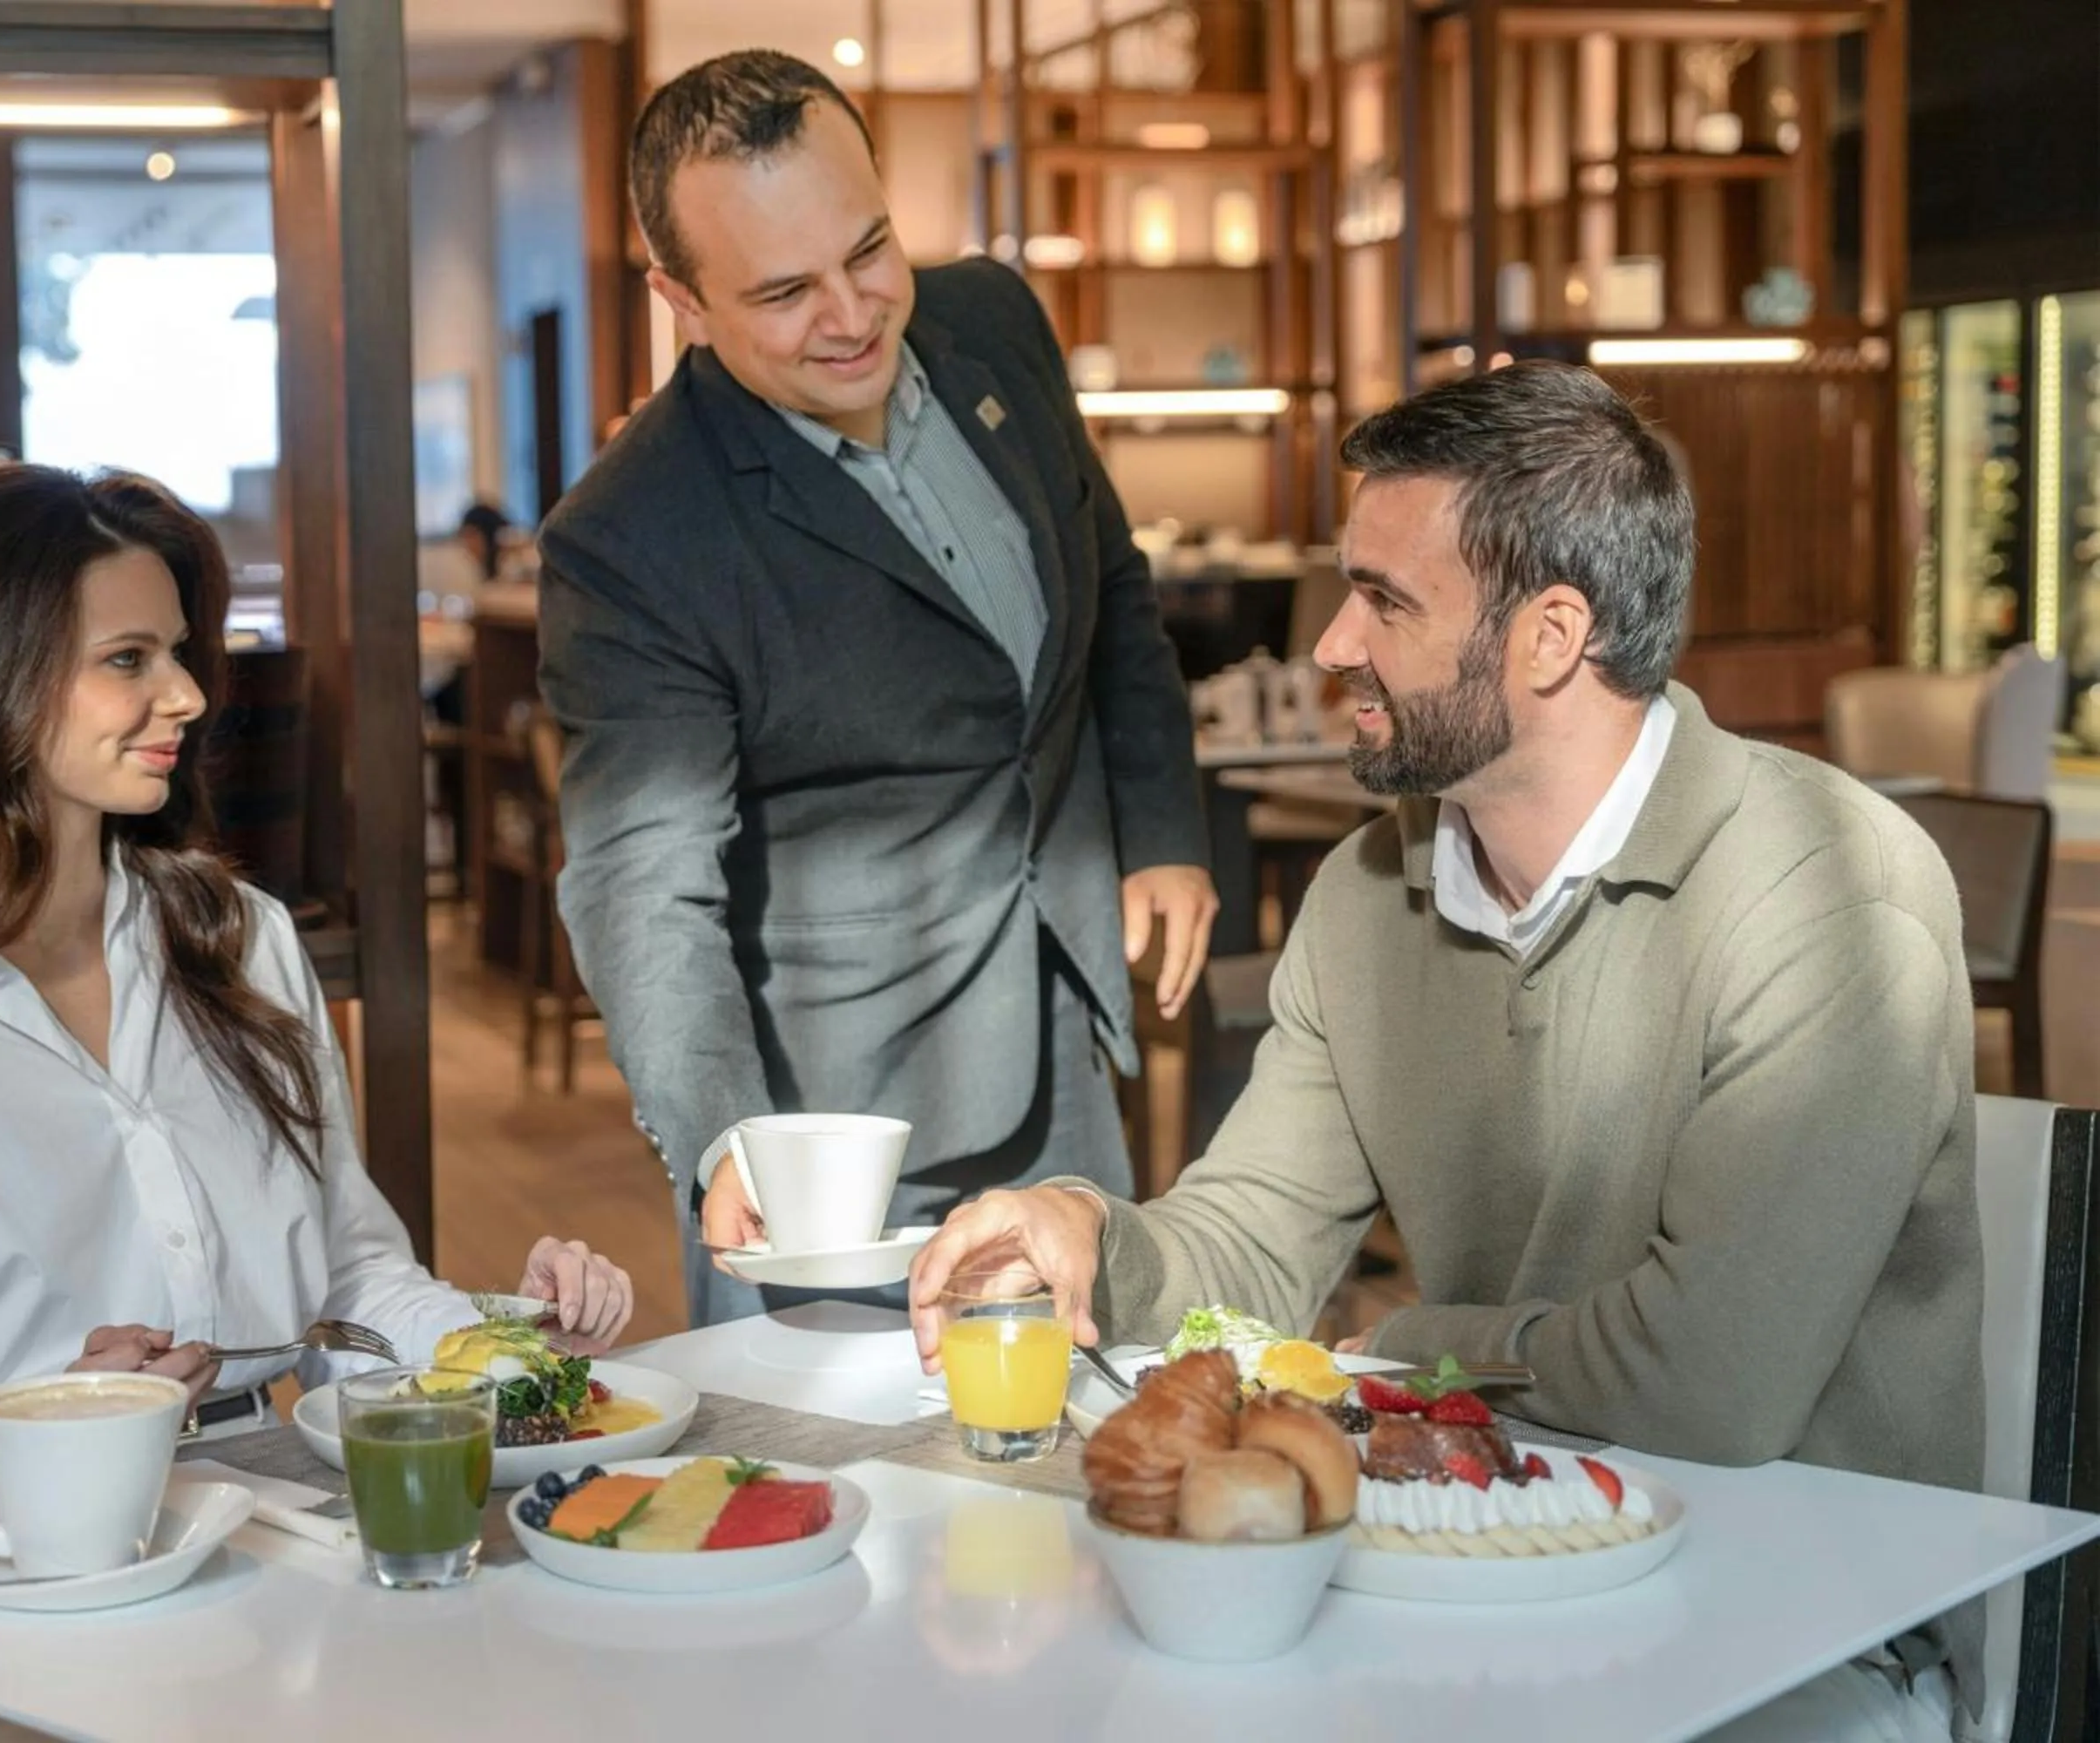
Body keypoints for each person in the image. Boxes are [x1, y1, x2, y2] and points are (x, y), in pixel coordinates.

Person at [906, 362, 1984, 1738]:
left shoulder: (1833, 897)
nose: (1334, 645)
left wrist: (1411, 1346)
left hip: (1806, 1632)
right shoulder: (1369, 896)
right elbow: (1253, 1239)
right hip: (1498, 1569)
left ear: (1548, 637)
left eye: (1388, 602)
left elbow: (1710, 1387)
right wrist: (1088, 1239)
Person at [0, 465, 635, 1738]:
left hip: (291, 1562)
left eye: (179, 654)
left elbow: (349, 1287)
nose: (186, 696)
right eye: (127, 660)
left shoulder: (241, 937)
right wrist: (61, 1433)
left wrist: (504, 1354)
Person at [538, 50, 1218, 1326]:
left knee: (1080, 1450)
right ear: (680, 299)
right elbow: (642, 877)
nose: (852, 315)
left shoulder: (992, 323)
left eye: (870, 251)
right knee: (844, 1495)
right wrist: (720, 1133)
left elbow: (1110, 583)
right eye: (786, 292)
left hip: (1063, 1028)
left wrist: (1161, 830)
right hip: (833, 1126)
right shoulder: (635, 537)